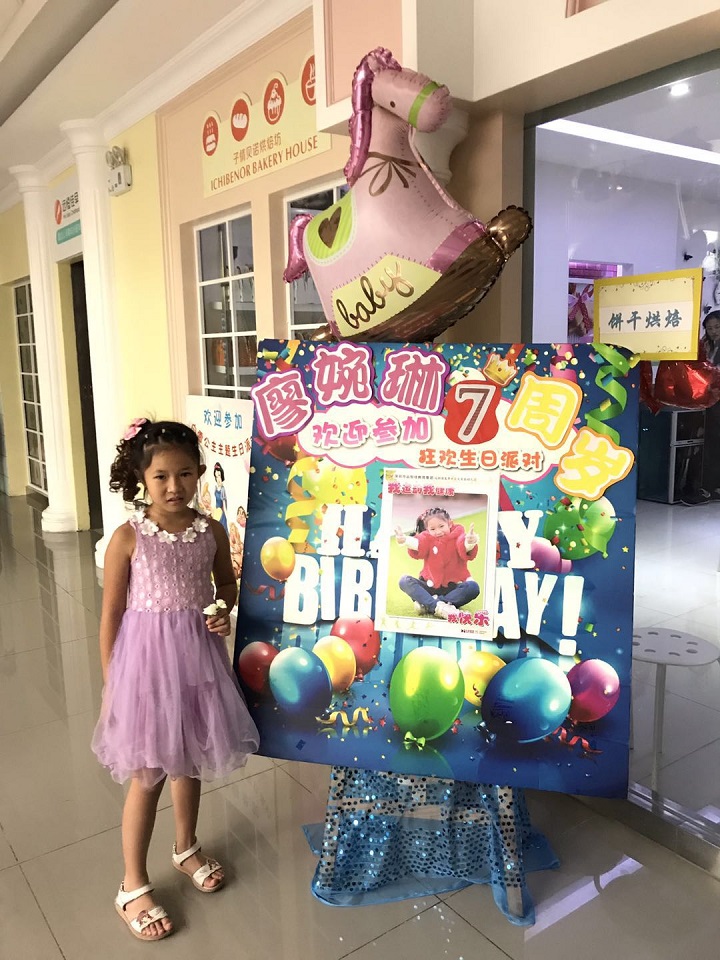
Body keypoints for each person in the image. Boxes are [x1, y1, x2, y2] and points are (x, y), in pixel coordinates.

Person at [91, 419, 259, 941]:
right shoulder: (128, 537)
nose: (173, 486)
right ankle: (132, 884)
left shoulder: (210, 531)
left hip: (197, 661)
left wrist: (222, 610)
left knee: (191, 755)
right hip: (145, 670)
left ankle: (186, 846)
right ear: (142, 477)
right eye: (161, 476)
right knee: (148, 773)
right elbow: (111, 615)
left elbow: (226, 584)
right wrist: (113, 683)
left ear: (200, 473)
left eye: (185, 473)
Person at [394, 506, 480, 619]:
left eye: (441, 526)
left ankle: (428, 604)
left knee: (473, 587)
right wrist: (405, 540)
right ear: (427, 530)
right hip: (429, 586)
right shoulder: (427, 538)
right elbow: (419, 543)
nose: (438, 532)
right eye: (433, 529)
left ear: (450, 524)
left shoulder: (458, 535)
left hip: (451, 590)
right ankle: (439, 607)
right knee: (404, 580)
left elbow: (463, 544)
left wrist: (470, 542)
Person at [682, 311, 720, 504]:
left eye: (717, 327)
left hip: (716, 401)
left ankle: (709, 488)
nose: (714, 331)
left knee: (714, 443)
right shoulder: (708, 346)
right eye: (710, 328)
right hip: (710, 400)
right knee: (710, 442)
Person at [213, 461, 229, 531]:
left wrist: (227, 515)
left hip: (222, 513)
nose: (218, 479)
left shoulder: (223, 489)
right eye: (216, 476)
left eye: (219, 476)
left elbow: (224, 504)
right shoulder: (215, 488)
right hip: (216, 512)